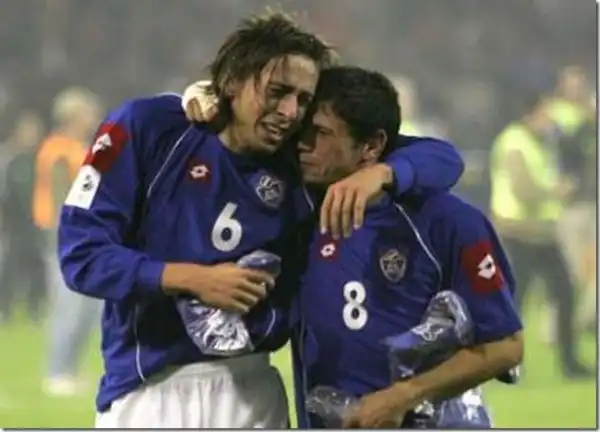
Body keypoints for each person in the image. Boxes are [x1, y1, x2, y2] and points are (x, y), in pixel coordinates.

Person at [58, 11, 464, 429]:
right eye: (277, 91)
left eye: (303, 99)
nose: (290, 111)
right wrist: (194, 279)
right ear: (232, 79)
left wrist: (381, 173)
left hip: (252, 391)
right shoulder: (150, 127)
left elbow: (443, 158)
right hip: (149, 388)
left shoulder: (301, 158)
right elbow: (81, 256)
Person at [289, 66, 523, 428]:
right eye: (302, 129)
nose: (302, 143)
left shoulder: (447, 220)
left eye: (320, 133)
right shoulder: (297, 211)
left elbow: (506, 347)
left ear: (371, 146)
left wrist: (403, 396)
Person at [489, 92, 592, 377]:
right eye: (545, 113)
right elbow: (523, 189)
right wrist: (557, 191)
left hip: (543, 233)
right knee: (515, 302)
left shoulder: (540, 142)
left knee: (565, 294)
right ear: (530, 113)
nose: (550, 120)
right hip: (518, 233)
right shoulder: (514, 143)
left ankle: (570, 362)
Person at [36, 87, 104, 396]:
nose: (93, 117)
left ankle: (70, 370)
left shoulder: (79, 147)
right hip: (64, 235)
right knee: (69, 304)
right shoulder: (59, 150)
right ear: (73, 116)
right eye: (88, 112)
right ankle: (56, 371)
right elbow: (63, 196)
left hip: (84, 235)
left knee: (89, 306)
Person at [0, 110, 46, 324]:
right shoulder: (9, 159)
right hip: (13, 224)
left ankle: (35, 308)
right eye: (28, 131)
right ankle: (4, 309)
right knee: (9, 266)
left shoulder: (39, 160)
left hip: (35, 222)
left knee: (37, 266)